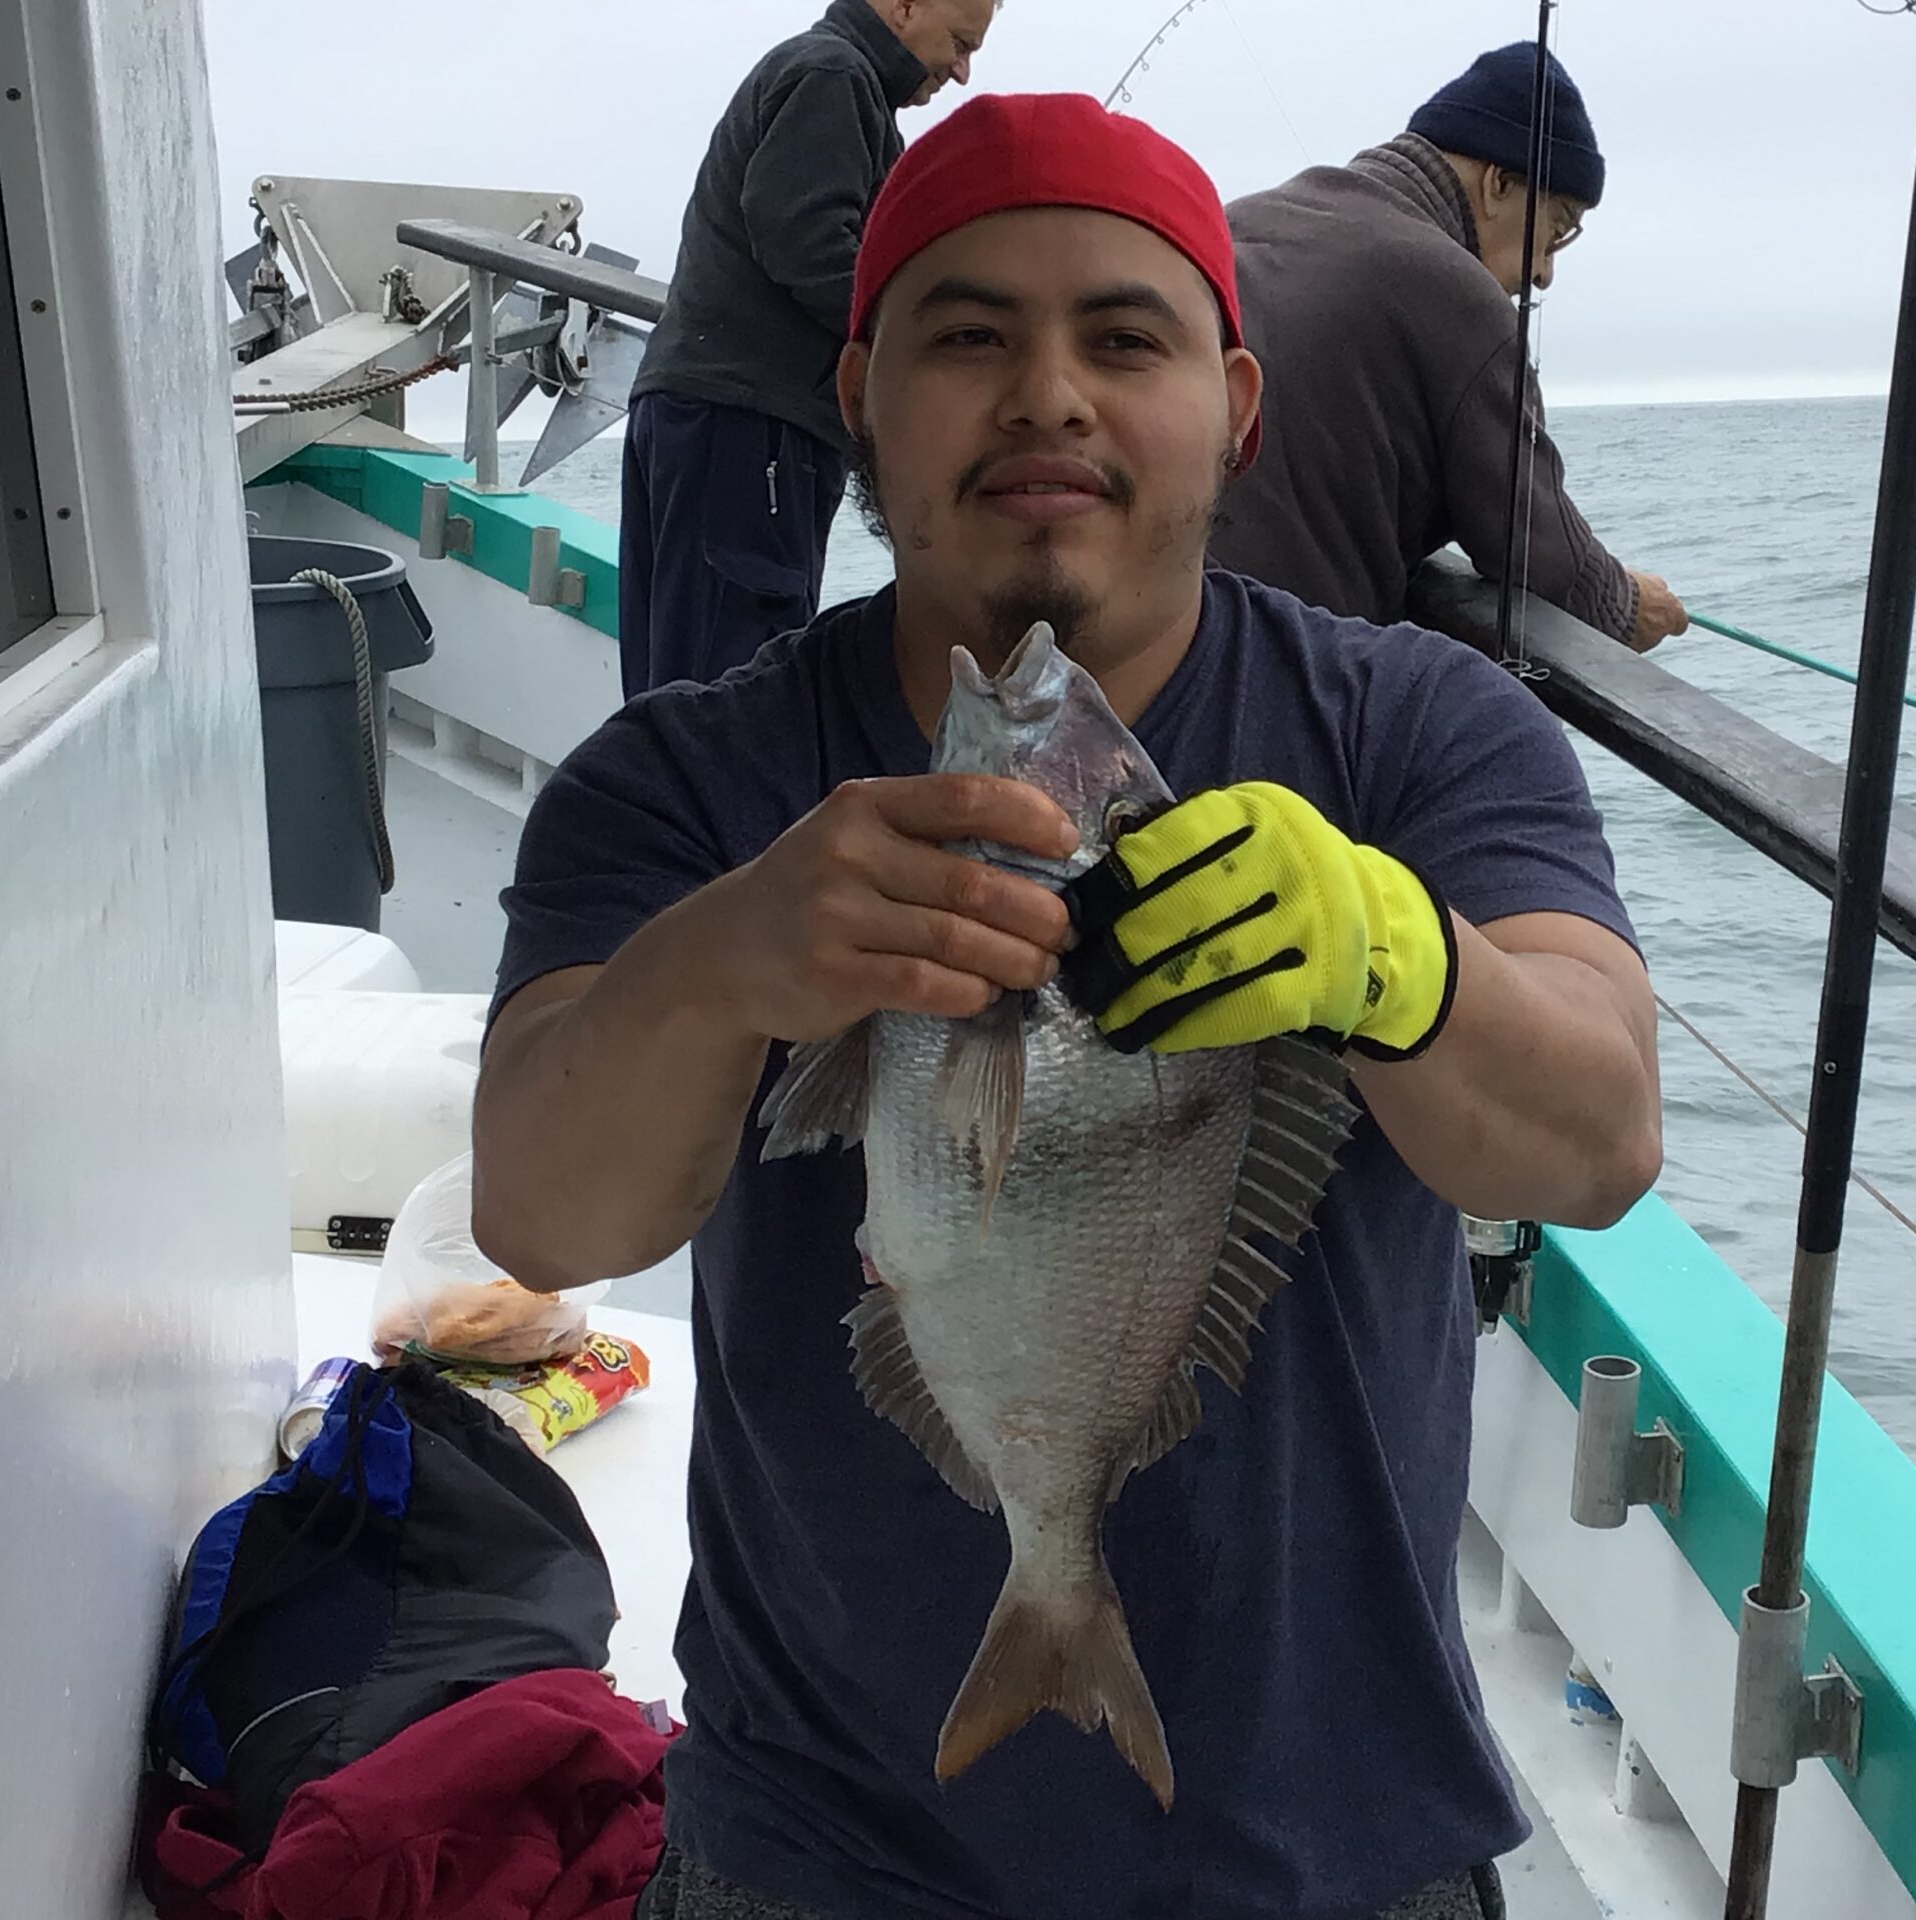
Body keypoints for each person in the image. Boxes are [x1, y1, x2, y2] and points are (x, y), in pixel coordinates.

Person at [473, 91, 1663, 1920]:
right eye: (970, 338)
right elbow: (552, 1218)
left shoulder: (1420, 730)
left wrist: (1402, 959)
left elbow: (1597, 1141)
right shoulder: (683, 782)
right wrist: (723, 963)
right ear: (859, 393)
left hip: (1342, 1853)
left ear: (1236, 408)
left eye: (1125, 337)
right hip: (817, 1857)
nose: (1048, 394)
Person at [1209, 42, 1688, 653]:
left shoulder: (1238, 224)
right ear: (1498, 184)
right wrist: (1626, 604)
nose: (1544, 273)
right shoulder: (1458, 295)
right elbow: (1536, 553)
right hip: (1272, 669)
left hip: (1130, 650)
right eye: (1555, 231)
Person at [618, 0, 999, 698]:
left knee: (673, 676)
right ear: (903, 6)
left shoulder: (829, 78)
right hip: (752, 429)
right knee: (730, 693)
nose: (963, 71)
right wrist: (921, 346)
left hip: (706, 416)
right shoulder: (833, 75)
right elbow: (805, 240)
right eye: (960, 43)